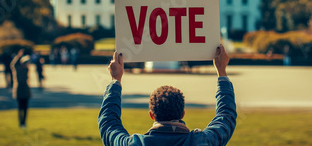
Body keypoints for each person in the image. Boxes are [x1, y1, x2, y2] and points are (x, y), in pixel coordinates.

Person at [99, 45, 236, 146]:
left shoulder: (135, 144)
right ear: (182, 113)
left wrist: (115, 80)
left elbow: (108, 124)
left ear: (152, 115)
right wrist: (221, 72)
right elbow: (226, 116)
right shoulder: (201, 142)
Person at [11, 49, 32, 129]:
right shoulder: (18, 70)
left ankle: (24, 123)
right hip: (19, 89)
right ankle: (21, 123)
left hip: (25, 89)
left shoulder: (26, 69)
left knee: (25, 108)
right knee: (20, 108)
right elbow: (13, 64)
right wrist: (18, 56)